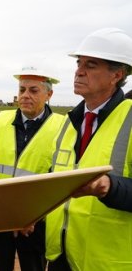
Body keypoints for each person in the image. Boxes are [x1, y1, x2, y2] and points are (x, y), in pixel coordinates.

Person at [46, 28, 132, 271]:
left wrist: (110, 187)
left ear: (117, 74)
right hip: (61, 255)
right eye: (79, 63)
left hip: (106, 261)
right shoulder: (69, 122)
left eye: (91, 65)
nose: (79, 71)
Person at [0, 63, 64, 271]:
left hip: (35, 226)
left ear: (48, 94)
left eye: (33, 90)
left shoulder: (62, 127)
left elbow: (58, 179)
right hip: (0, 219)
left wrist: (29, 217)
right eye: (22, 90)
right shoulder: (1, 120)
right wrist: (3, 211)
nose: (25, 95)